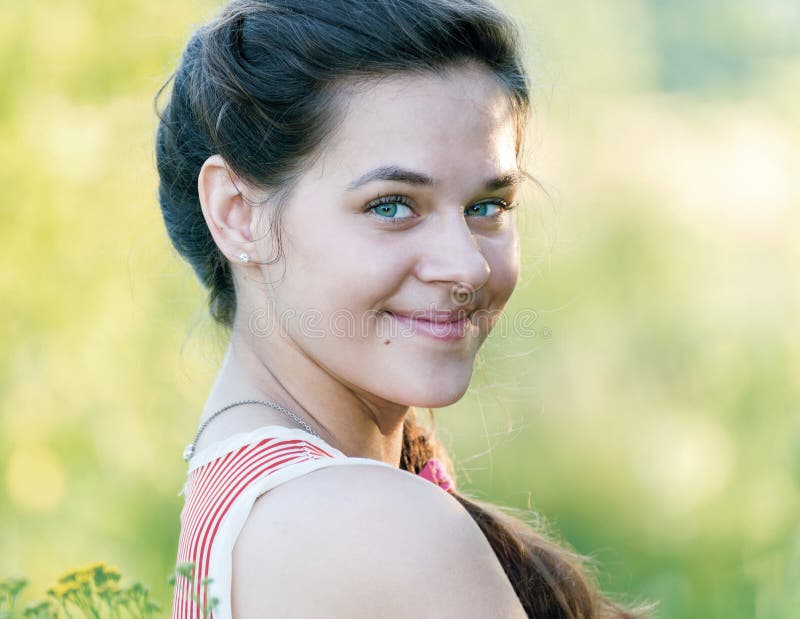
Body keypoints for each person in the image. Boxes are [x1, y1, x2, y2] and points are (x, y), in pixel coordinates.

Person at [155, 0, 656, 617]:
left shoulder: (246, 504)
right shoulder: (373, 525)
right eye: (391, 205)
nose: (467, 266)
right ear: (238, 214)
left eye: (487, 206)